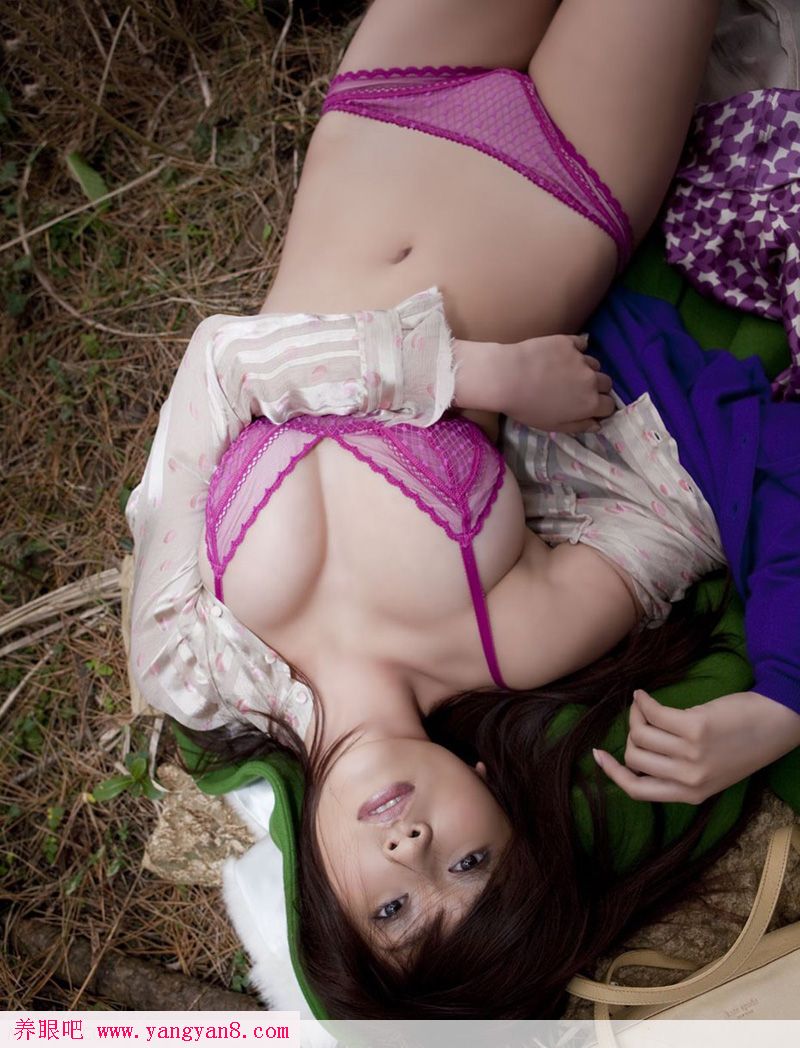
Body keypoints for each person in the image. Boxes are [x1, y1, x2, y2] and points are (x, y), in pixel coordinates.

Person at [126, 0, 800, 1018]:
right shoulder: (517, 639)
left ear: (324, 907)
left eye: (392, 909)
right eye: (471, 863)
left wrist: (471, 373)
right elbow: (747, 474)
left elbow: (219, 361)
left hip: (383, 108)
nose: (412, 847)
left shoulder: (189, 669)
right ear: (497, 795)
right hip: (568, 177)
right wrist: (781, 704)